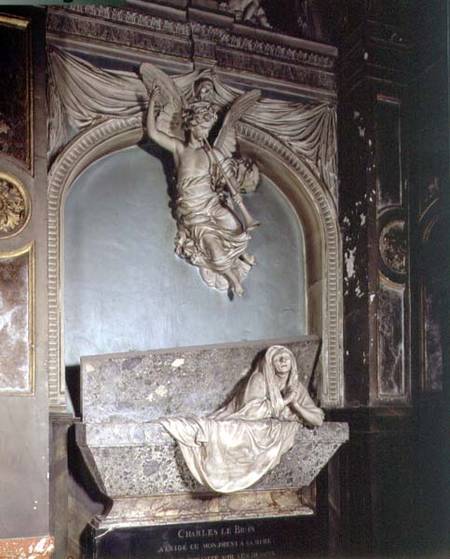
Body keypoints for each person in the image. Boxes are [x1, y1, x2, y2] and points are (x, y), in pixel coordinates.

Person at [160, 345, 324, 493]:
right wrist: (285, 402)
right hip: (244, 421)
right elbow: (251, 413)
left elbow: (317, 419)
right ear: (270, 364)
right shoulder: (259, 380)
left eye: (286, 358)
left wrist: (296, 405)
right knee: (230, 430)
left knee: (259, 432)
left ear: (292, 362)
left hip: (269, 429)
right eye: (278, 358)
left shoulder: (296, 388)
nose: (282, 361)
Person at [146, 83, 254, 296]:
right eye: (201, 128)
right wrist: (152, 103)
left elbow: (229, 179)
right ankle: (234, 280)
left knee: (236, 229)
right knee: (213, 247)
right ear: (190, 125)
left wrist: (231, 180)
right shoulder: (180, 149)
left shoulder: (213, 153)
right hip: (193, 212)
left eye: (207, 129)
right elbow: (153, 132)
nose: (204, 132)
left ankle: (237, 258)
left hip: (212, 204)